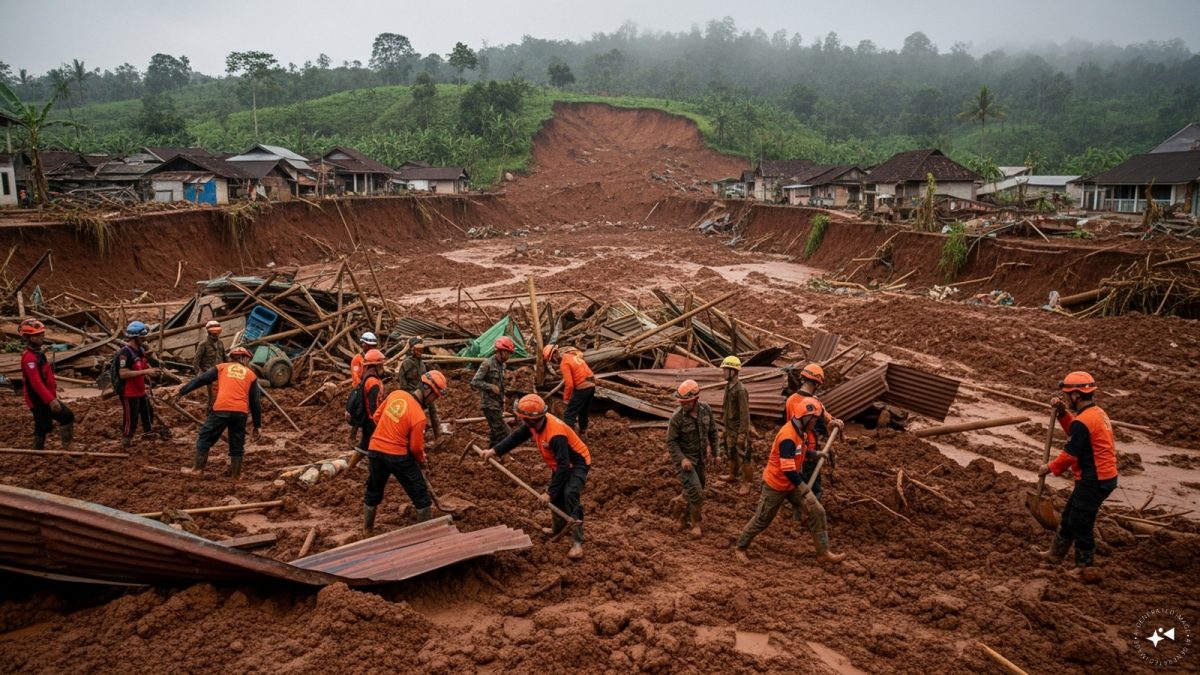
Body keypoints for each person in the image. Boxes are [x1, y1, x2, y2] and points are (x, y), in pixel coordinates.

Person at [734, 397, 845, 565]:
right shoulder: (787, 436)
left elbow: (801, 451)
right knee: (762, 519)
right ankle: (740, 547)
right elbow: (788, 469)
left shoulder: (802, 432)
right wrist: (805, 491)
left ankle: (823, 552)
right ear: (805, 417)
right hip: (776, 484)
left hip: (791, 482)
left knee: (817, 511)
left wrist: (816, 454)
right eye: (814, 419)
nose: (815, 422)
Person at [480, 394, 590, 559]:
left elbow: (564, 467)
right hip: (560, 464)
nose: (521, 421)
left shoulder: (555, 435)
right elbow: (516, 437)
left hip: (577, 463)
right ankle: (558, 529)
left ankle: (577, 542)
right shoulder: (535, 423)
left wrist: (549, 492)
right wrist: (494, 451)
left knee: (570, 494)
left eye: (523, 418)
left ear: (532, 419)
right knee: (558, 496)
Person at [1037, 371, 1119, 570]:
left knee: (1081, 523)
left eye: (1068, 395)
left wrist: (1048, 468)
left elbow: (1070, 455)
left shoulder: (1084, 421)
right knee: (1069, 516)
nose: (1067, 398)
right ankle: (1055, 555)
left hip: (1095, 479)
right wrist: (1063, 414)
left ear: (1076, 396)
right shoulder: (1095, 413)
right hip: (1099, 476)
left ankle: (1085, 569)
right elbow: (1076, 431)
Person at [363, 370, 448, 533]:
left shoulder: (396, 394)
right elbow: (416, 448)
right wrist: (422, 462)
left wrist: (389, 432)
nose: (433, 401)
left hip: (375, 451)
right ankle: (426, 534)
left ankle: (367, 530)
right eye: (435, 396)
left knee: (373, 491)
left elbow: (376, 417)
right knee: (421, 496)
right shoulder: (418, 416)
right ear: (427, 390)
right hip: (397, 457)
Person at [173, 347, 263, 477]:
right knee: (237, 443)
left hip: (222, 408)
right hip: (240, 412)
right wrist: (257, 426)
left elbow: (201, 380)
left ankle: (197, 470)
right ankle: (235, 475)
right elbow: (255, 402)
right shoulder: (250, 374)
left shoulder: (221, 367)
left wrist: (182, 392)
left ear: (232, 357)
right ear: (245, 358)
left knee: (204, 437)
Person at [666, 379, 720, 536]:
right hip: (685, 462)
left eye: (687, 402)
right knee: (697, 492)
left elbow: (713, 432)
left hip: (701, 459)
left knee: (694, 490)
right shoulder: (677, 418)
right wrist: (682, 459)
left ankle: (682, 516)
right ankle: (696, 524)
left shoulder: (706, 410)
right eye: (681, 402)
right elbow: (671, 442)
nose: (683, 405)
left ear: (695, 399)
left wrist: (716, 454)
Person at [784, 363, 843, 500]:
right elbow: (827, 419)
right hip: (809, 449)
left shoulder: (791, 400)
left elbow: (789, 426)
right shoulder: (814, 402)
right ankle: (810, 507)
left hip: (798, 448)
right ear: (817, 384)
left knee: (799, 479)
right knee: (812, 484)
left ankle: (800, 501)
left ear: (802, 379)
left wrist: (834, 421)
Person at [19, 319, 74, 450]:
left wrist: (52, 393)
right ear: (28, 338)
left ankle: (42, 450)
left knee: (48, 424)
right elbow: (36, 383)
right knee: (51, 423)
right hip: (37, 399)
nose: (41, 337)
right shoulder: (29, 359)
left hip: (45, 396)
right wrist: (51, 400)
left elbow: (46, 376)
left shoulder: (39, 354)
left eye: (41, 334)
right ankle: (40, 451)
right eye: (37, 335)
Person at [116, 321, 163, 447]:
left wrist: (151, 372)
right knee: (132, 418)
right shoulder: (125, 354)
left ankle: (148, 433)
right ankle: (126, 440)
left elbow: (143, 364)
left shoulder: (140, 350)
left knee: (148, 412)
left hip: (140, 389)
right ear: (135, 337)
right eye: (143, 337)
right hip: (129, 391)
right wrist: (146, 371)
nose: (145, 339)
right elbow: (123, 373)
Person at [720, 356, 756, 494]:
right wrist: (724, 426)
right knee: (731, 452)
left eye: (725, 370)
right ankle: (732, 475)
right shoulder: (728, 386)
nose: (723, 373)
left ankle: (747, 482)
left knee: (743, 456)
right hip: (730, 428)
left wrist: (742, 433)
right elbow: (725, 407)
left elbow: (744, 413)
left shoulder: (740, 390)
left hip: (738, 429)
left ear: (733, 371)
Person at [346, 349, 386, 471]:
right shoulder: (373, 382)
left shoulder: (368, 377)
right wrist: (377, 423)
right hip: (371, 420)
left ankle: (349, 469)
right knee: (378, 447)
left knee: (364, 445)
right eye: (381, 364)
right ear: (375, 365)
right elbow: (373, 406)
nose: (383, 366)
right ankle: (374, 472)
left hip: (369, 420)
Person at [543, 344, 596, 436]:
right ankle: (583, 432)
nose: (553, 362)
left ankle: (567, 436)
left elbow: (569, 384)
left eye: (551, 360)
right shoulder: (572, 356)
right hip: (591, 386)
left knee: (569, 415)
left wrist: (566, 398)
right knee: (583, 411)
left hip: (582, 386)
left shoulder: (564, 363)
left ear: (554, 356)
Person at [472, 336, 514, 446]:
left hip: (498, 404)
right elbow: (475, 382)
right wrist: (490, 386)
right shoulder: (487, 364)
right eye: (508, 353)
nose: (509, 356)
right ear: (500, 351)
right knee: (504, 432)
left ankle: (490, 454)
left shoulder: (503, 365)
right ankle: (502, 455)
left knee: (495, 432)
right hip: (489, 404)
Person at [396, 336, 441, 440]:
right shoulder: (406, 363)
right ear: (412, 349)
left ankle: (438, 436)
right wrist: (412, 394)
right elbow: (402, 384)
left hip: (423, 392)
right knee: (415, 418)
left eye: (421, 349)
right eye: (417, 349)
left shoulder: (421, 363)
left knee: (432, 410)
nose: (420, 352)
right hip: (412, 395)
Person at [347, 331, 378, 445]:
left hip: (370, 389)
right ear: (364, 345)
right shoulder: (357, 359)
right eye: (369, 346)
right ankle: (352, 438)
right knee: (358, 413)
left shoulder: (374, 358)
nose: (371, 349)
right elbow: (356, 377)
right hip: (360, 391)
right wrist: (361, 390)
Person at [193, 320, 228, 413]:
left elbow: (225, 357)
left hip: (220, 373)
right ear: (209, 333)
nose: (216, 335)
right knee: (212, 396)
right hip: (208, 374)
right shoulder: (203, 344)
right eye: (214, 333)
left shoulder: (220, 343)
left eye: (217, 333)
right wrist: (199, 375)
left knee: (221, 394)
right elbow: (196, 361)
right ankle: (210, 412)